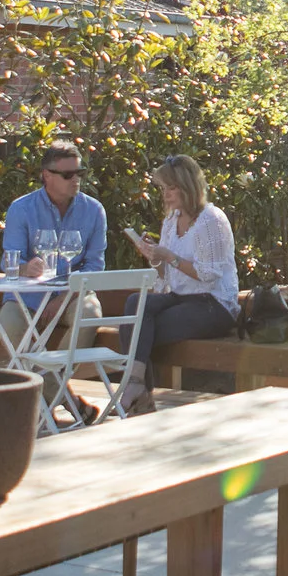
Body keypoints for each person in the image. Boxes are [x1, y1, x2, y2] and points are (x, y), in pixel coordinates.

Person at [111, 154, 240, 412]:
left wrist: (169, 255)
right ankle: (137, 386)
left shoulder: (210, 220)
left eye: (172, 188)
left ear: (188, 188)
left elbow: (209, 275)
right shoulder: (171, 220)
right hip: (182, 298)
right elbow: (165, 277)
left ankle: (138, 391)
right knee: (135, 304)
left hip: (214, 303)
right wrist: (153, 255)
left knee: (139, 328)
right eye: (164, 189)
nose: (166, 195)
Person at [0, 142, 107, 277]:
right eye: (68, 174)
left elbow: (95, 267)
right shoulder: (21, 209)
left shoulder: (94, 210)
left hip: (75, 291)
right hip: (29, 292)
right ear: (47, 175)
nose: (76, 179)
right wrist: (26, 268)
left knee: (89, 299)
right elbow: (9, 262)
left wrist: (67, 295)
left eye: (79, 173)